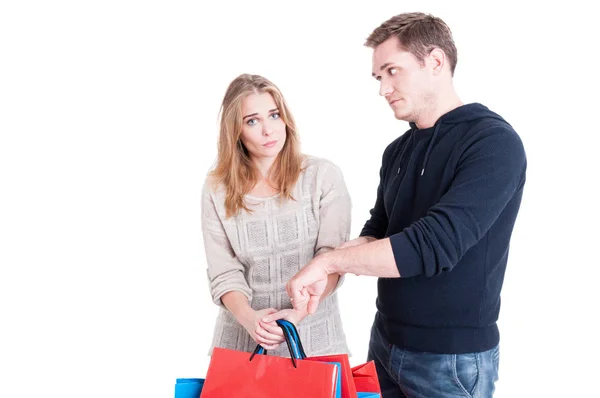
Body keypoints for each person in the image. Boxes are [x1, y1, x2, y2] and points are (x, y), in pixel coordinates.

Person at [286, 12, 527, 397]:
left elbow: (432, 247)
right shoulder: (397, 151)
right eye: (379, 77)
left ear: (435, 62)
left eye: (392, 71)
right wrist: (320, 280)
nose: (383, 89)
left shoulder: (493, 144)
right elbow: (378, 232)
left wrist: (328, 261)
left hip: (451, 362)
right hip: (384, 343)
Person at [201, 73, 351, 358]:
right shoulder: (216, 188)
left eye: (274, 115)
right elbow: (224, 272)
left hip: (315, 343)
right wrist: (250, 320)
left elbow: (332, 260)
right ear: (236, 131)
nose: (268, 130)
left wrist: (295, 316)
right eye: (252, 121)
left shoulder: (322, 176)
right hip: (240, 347)